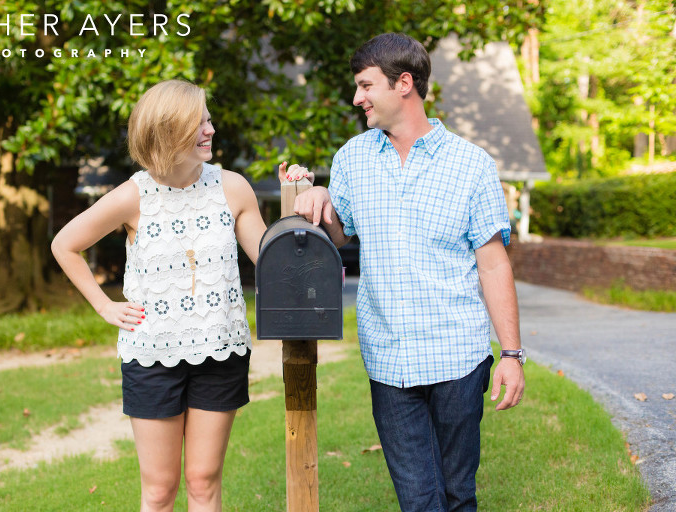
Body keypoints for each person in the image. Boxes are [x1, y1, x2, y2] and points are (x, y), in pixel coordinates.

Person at [286, 33, 526, 511]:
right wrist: (317, 199)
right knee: (418, 500)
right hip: (388, 360)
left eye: (365, 85)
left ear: (403, 84)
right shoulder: (353, 157)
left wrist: (512, 354)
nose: (357, 98)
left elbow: (494, 263)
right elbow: (340, 234)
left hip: (457, 357)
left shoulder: (471, 165)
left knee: (458, 496)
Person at [52, 79, 289, 512]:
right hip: (151, 359)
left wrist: (294, 201)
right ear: (167, 130)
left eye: (209, 119)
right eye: (198, 122)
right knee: (159, 491)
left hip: (221, 351)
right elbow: (64, 244)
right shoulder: (132, 196)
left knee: (203, 483)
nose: (210, 129)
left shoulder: (233, 188)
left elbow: (272, 262)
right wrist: (104, 305)